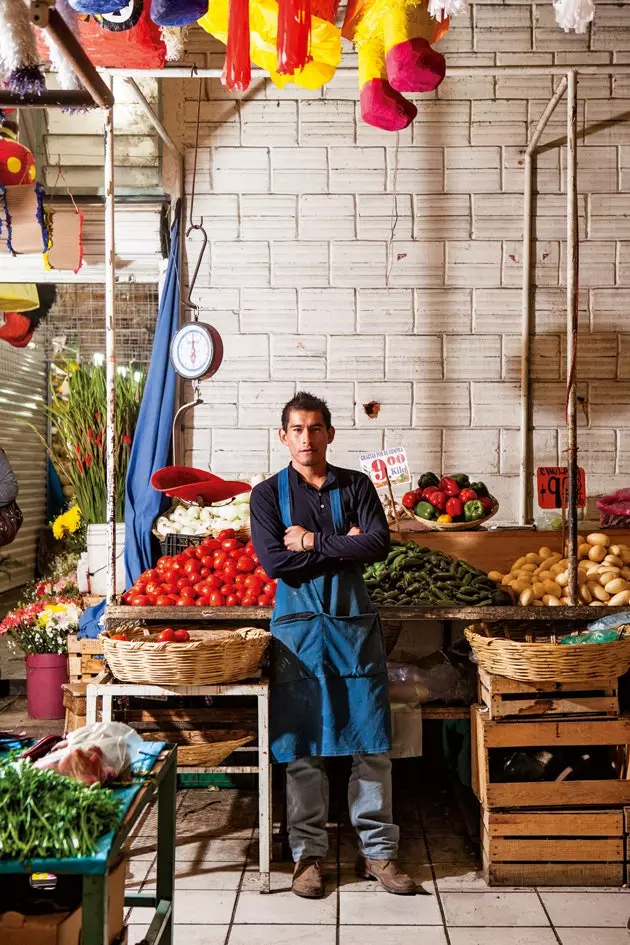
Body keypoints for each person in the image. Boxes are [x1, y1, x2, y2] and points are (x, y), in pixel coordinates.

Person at [250, 392, 415, 899]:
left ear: (330, 434)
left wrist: (310, 542)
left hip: (352, 626)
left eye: (316, 428)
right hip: (298, 634)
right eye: (297, 429)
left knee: (371, 742)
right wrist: (342, 543)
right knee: (303, 746)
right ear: (284, 436)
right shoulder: (266, 496)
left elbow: (377, 544)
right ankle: (308, 857)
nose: (307, 438)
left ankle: (378, 854)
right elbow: (275, 564)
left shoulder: (357, 484)